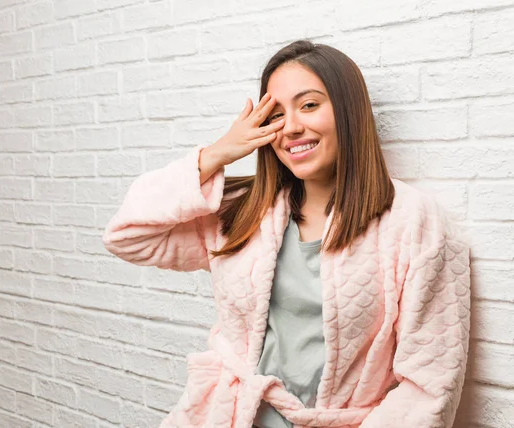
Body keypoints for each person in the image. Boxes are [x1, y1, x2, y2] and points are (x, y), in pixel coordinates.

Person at [103, 40, 471, 428]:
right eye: (276, 114)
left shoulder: (412, 221)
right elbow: (127, 235)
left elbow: (430, 383)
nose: (292, 127)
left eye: (309, 105)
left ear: (348, 111)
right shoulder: (242, 211)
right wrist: (217, 153)